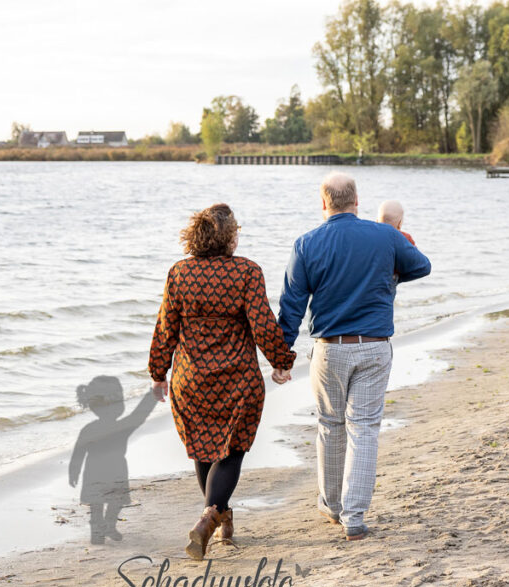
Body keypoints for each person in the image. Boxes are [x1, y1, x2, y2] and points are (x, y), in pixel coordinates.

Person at [278, 173, 431, 541]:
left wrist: (281, 356)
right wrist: (387, 273)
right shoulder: (386, 236)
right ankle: (355, 516)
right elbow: (422, 265)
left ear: (324, 202)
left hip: (330, 349)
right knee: (364, 428)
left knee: (330, 425)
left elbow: (292, 306)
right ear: (356, 201)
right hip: (375, 345)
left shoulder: (306, 244)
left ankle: (331, 505)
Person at [148, 203, 296, 560]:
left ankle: (220, 520)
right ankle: (208, 522)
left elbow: (166, 328)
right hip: (237, 380)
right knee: (230, 450)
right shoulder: (247, 271)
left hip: (191, 380)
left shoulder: (179, 273)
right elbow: (262, 324)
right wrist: (281, 361)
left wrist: (158, 373)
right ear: (230, 236)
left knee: (203, 449)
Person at [69, 376, 155, 545]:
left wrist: (74, 471)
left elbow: (78, 452)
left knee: (96, 504)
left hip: (93, 472)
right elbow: (140, 414)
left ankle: (98, 532)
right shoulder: (121, 426)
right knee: (115, 501)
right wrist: (153, 394)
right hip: (116, 470)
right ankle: (108, 524)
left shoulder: (89, 429)